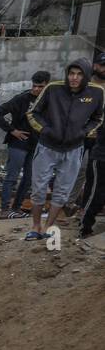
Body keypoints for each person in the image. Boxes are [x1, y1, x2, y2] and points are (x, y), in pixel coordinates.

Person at [24, 57, 105, 241]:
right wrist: (45, 130)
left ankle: (49, 226)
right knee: (38, 188)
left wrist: (83, 133)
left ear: (85, 76)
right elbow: (33, 113)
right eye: (71, 73)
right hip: (47, 146)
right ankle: (35, 226)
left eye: (78, 74)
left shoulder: (96, 92)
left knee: (63, 190)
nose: (74, 78)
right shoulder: (53, 89)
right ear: (67, 74)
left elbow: (98, 118)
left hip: (74, 149)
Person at [0, 70, 50, 219]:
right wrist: (12, 131)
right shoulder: (22, 99)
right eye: (34, 86)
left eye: (40, 86)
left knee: (29, 178)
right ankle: (5, 209)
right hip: (18, 143)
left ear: (47, 86)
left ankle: (16, 208)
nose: (36, 89)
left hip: (37, 145)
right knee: (12, 176)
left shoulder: (50, 100)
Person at [77, 53, 105, 237]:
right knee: (94, 188)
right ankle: (84, 223)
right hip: (94, 145)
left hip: (98, 142)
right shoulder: (87, 88)